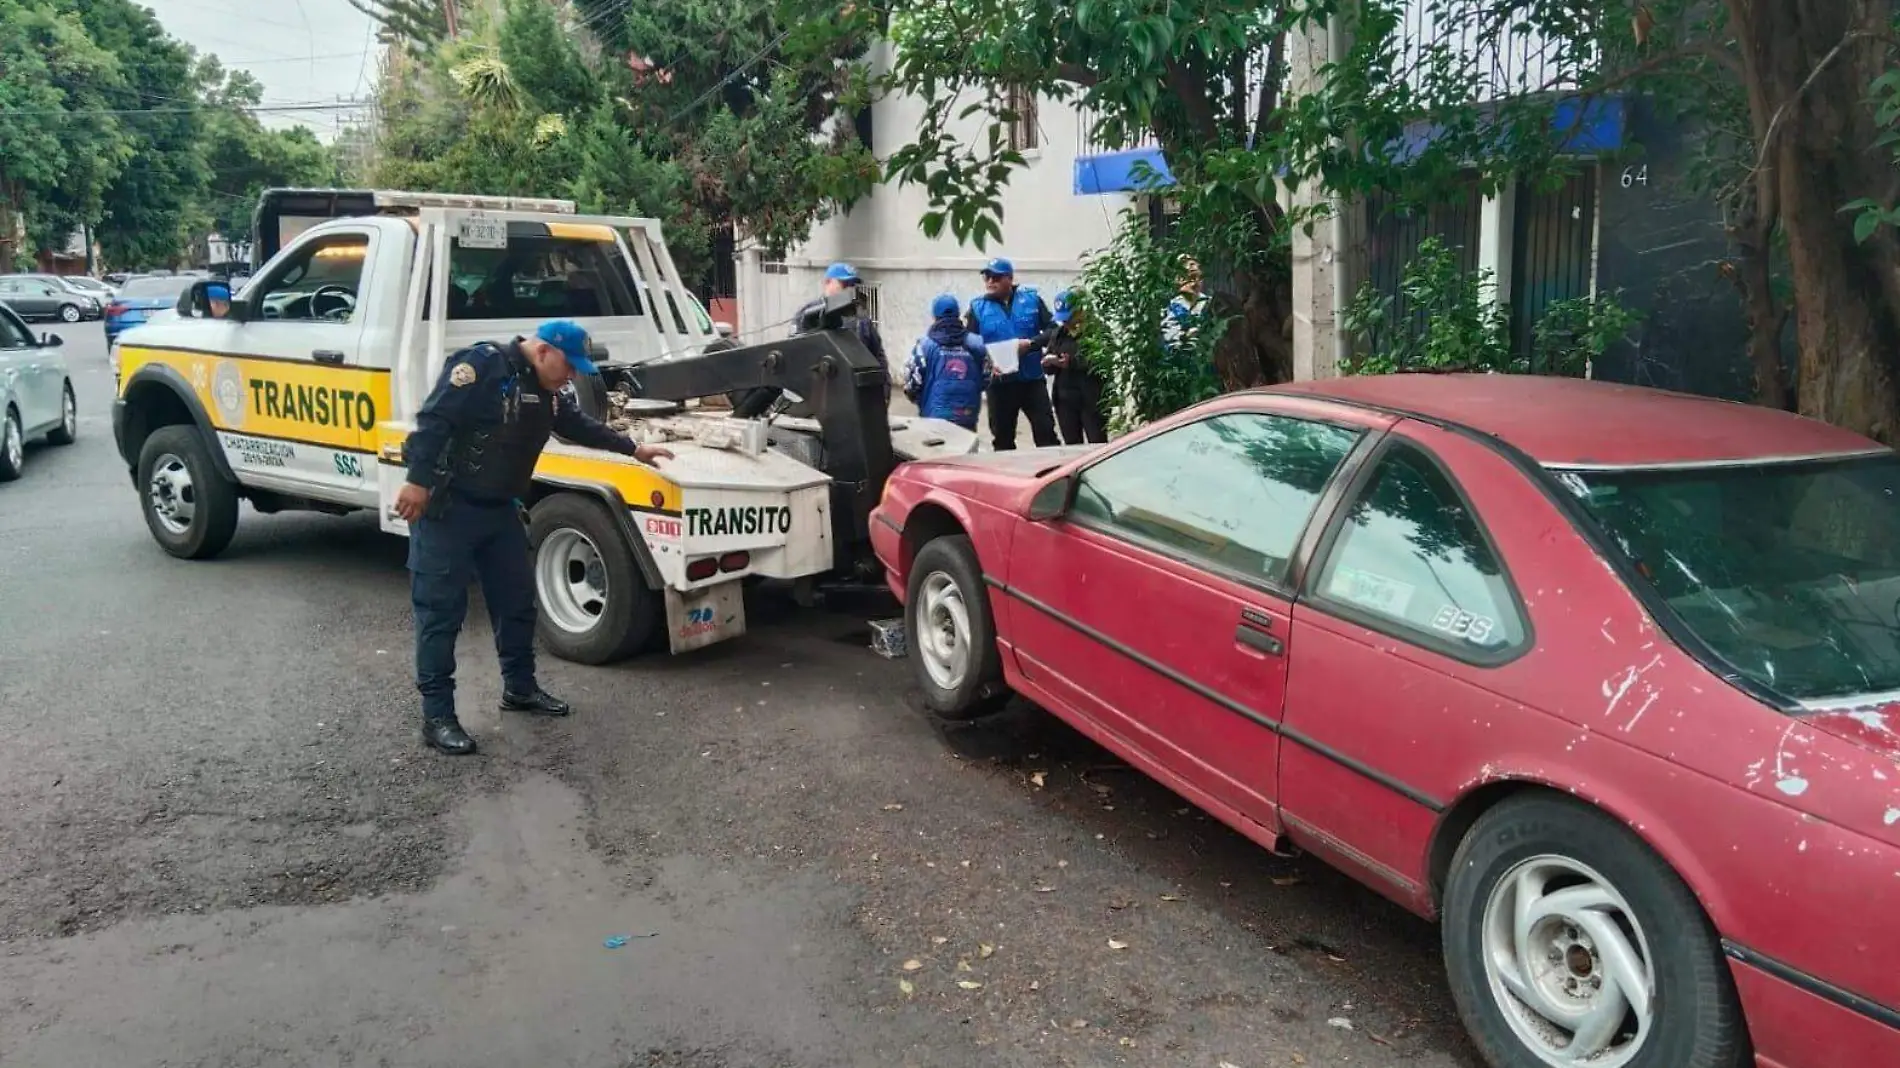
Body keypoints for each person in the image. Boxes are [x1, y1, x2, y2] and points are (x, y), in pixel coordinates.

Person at [395, 319, 675, 756]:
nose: (572, 376)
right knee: (440, 613)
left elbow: (579, 425)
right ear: (543, 351)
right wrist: (416, 482)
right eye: (568, 365)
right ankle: (438, 717)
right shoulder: (481, 367)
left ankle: (520, 690)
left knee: (517, 603)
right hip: (450, 510)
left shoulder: (547, 389)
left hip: (499, 510)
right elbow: (434, 420)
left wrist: (632, 449)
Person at [964, 258, 1058, 451]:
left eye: (996, 277)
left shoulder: (1031, 299)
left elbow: (1053, 330)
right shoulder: (977, 308)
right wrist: (987, 363)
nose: (990, 281)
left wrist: (1032, 344)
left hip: (1031, 379)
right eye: (987, 277)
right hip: (999, 384)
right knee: (1003, 439)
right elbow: (970, 344)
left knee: (1045, 431)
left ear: (1009, 278)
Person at [794, 262, 889, 396]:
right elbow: (795, 356)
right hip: (819, 396)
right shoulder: (808, 315)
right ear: (827, 282)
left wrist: (883, 393)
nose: (849, 290)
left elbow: (878, 357)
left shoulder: (860, 318)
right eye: (844, 284)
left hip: (855, 395)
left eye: (852, 285)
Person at [902, 294, 989, 430]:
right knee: (965, 448)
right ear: (958, 314)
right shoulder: (977, 343)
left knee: (937, 450)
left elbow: (912, 382)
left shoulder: (925, 345)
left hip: (934, 415)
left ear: (934, 316)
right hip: (967, 415)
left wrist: (920, 400)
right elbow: (987, 376)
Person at [1042, 288, 1108, 445]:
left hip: (1091, 399)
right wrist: (1049, 362)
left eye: (1069, 317)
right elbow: (1049, 364)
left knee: (1097, 442)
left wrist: (1071, 363)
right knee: (1071, 443)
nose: (1066, 322)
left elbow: (1102, 362)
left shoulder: (1097, 331)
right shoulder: (1059, 334)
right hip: (1065, 399)